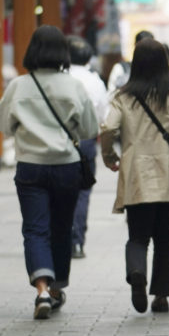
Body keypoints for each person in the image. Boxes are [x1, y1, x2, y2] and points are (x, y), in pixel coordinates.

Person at [0, 25, 99, 319]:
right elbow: (90, 128)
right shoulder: (74, 86)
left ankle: (41, 290)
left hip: (30, 166)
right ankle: (56, 289)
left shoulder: (18, 86)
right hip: (66, 166)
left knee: (35, 228)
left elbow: (3, 125)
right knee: (61, 228)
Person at [100, 39, 169, 314]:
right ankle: (161, 296)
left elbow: (108, 128)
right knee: (164, 237)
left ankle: (137, 271)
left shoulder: (122, 97)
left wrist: (109, 158)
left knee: (137, 236)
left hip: (136, 174)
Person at [66, 35, 109, 259]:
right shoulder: (95, 81)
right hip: (86, 140)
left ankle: (61, 238)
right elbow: (104, 115)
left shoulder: (60, 78)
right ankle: (78, 242)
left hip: (60, 141)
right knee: (83, 192)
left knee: (61, 192)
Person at [107, 30, 154, 94]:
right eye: (142, 47)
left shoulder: (157, 70)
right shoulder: (120, 68)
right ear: (135, 45)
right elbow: (111, 95)